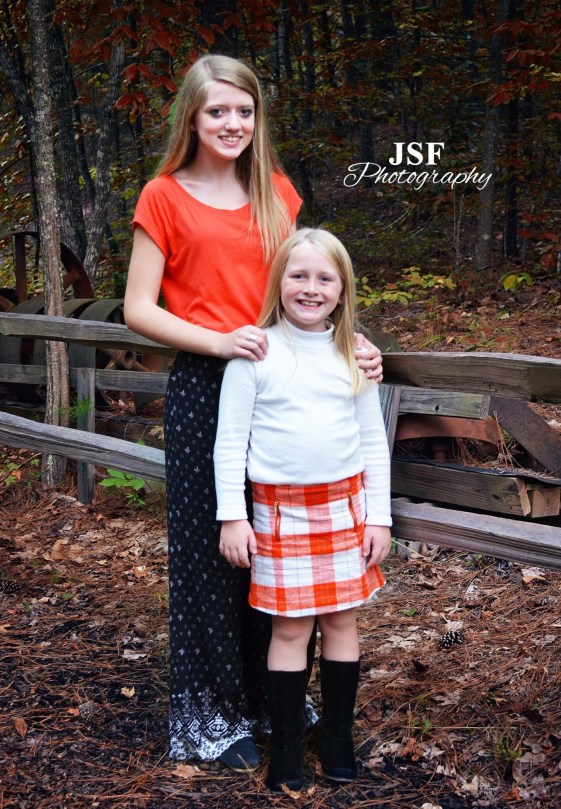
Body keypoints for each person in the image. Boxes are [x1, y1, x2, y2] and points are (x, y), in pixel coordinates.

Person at [124, 54, 384, 770]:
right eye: (217, 111)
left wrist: (352, 342)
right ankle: (215, 716)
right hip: (208, 384)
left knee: (275, 554)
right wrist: (220, 341)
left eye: (244, 110)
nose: (231, 123)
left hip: (286, 380)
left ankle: (276, 703)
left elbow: (307, 285)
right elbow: (138, 307)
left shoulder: (276, 191)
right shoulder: (163, 196)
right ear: (192, 117)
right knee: (216, 554)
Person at [214, 228, 392, 791]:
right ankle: (286, 747)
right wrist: (232, 516)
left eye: (324, 278)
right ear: (279, 283)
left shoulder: (353, 356)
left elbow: (372, 443)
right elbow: (229, 443)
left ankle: (337, 737)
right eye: (298, 276)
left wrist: (380, 516)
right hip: (279, 513)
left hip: (344, 509)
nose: (310, 288)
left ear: (342, 290)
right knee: (289, 630)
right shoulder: (256, 354)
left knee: (342, 621)